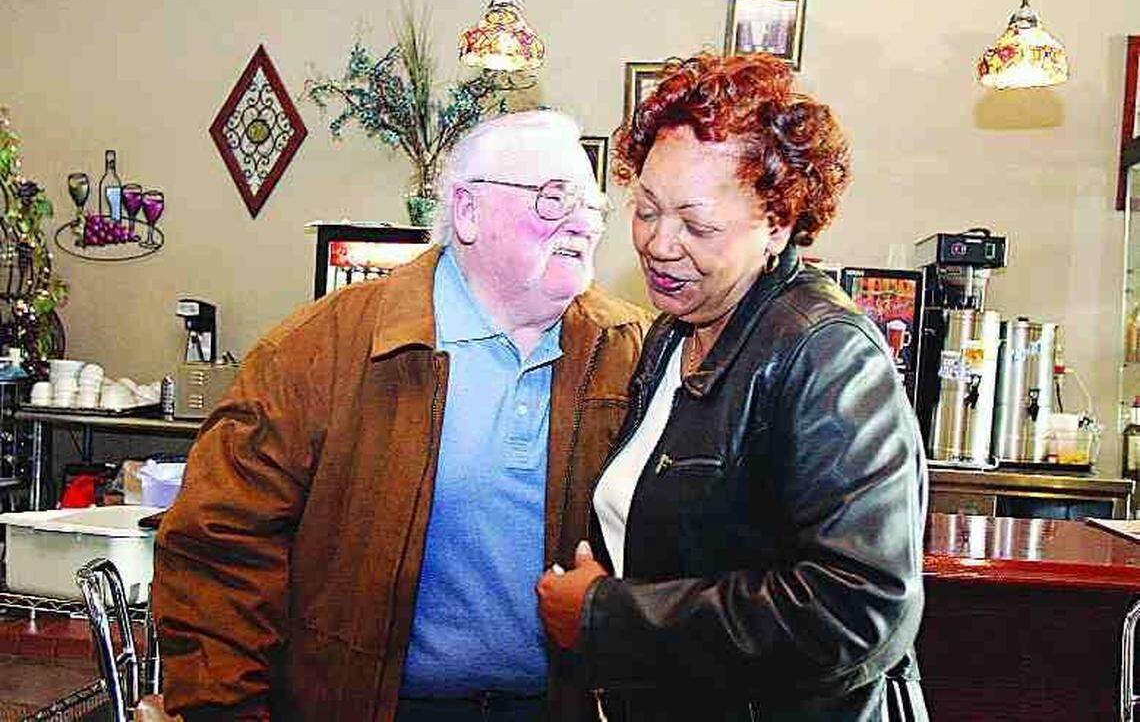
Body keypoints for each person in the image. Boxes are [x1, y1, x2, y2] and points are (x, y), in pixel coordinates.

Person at [153, 109, 651, 722]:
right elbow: (219, 546)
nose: (583, 223)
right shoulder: (321, 350)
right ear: (467, 211)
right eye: (554, 199)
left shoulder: (633, 351)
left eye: (593, 207)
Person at [537, 52, 928, 721]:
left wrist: (609, 615)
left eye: (698, 225)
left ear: (778, 222)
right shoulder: (672, 334)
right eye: (647, 210)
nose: (659, 244)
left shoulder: (825, 351)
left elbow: (859, 607)